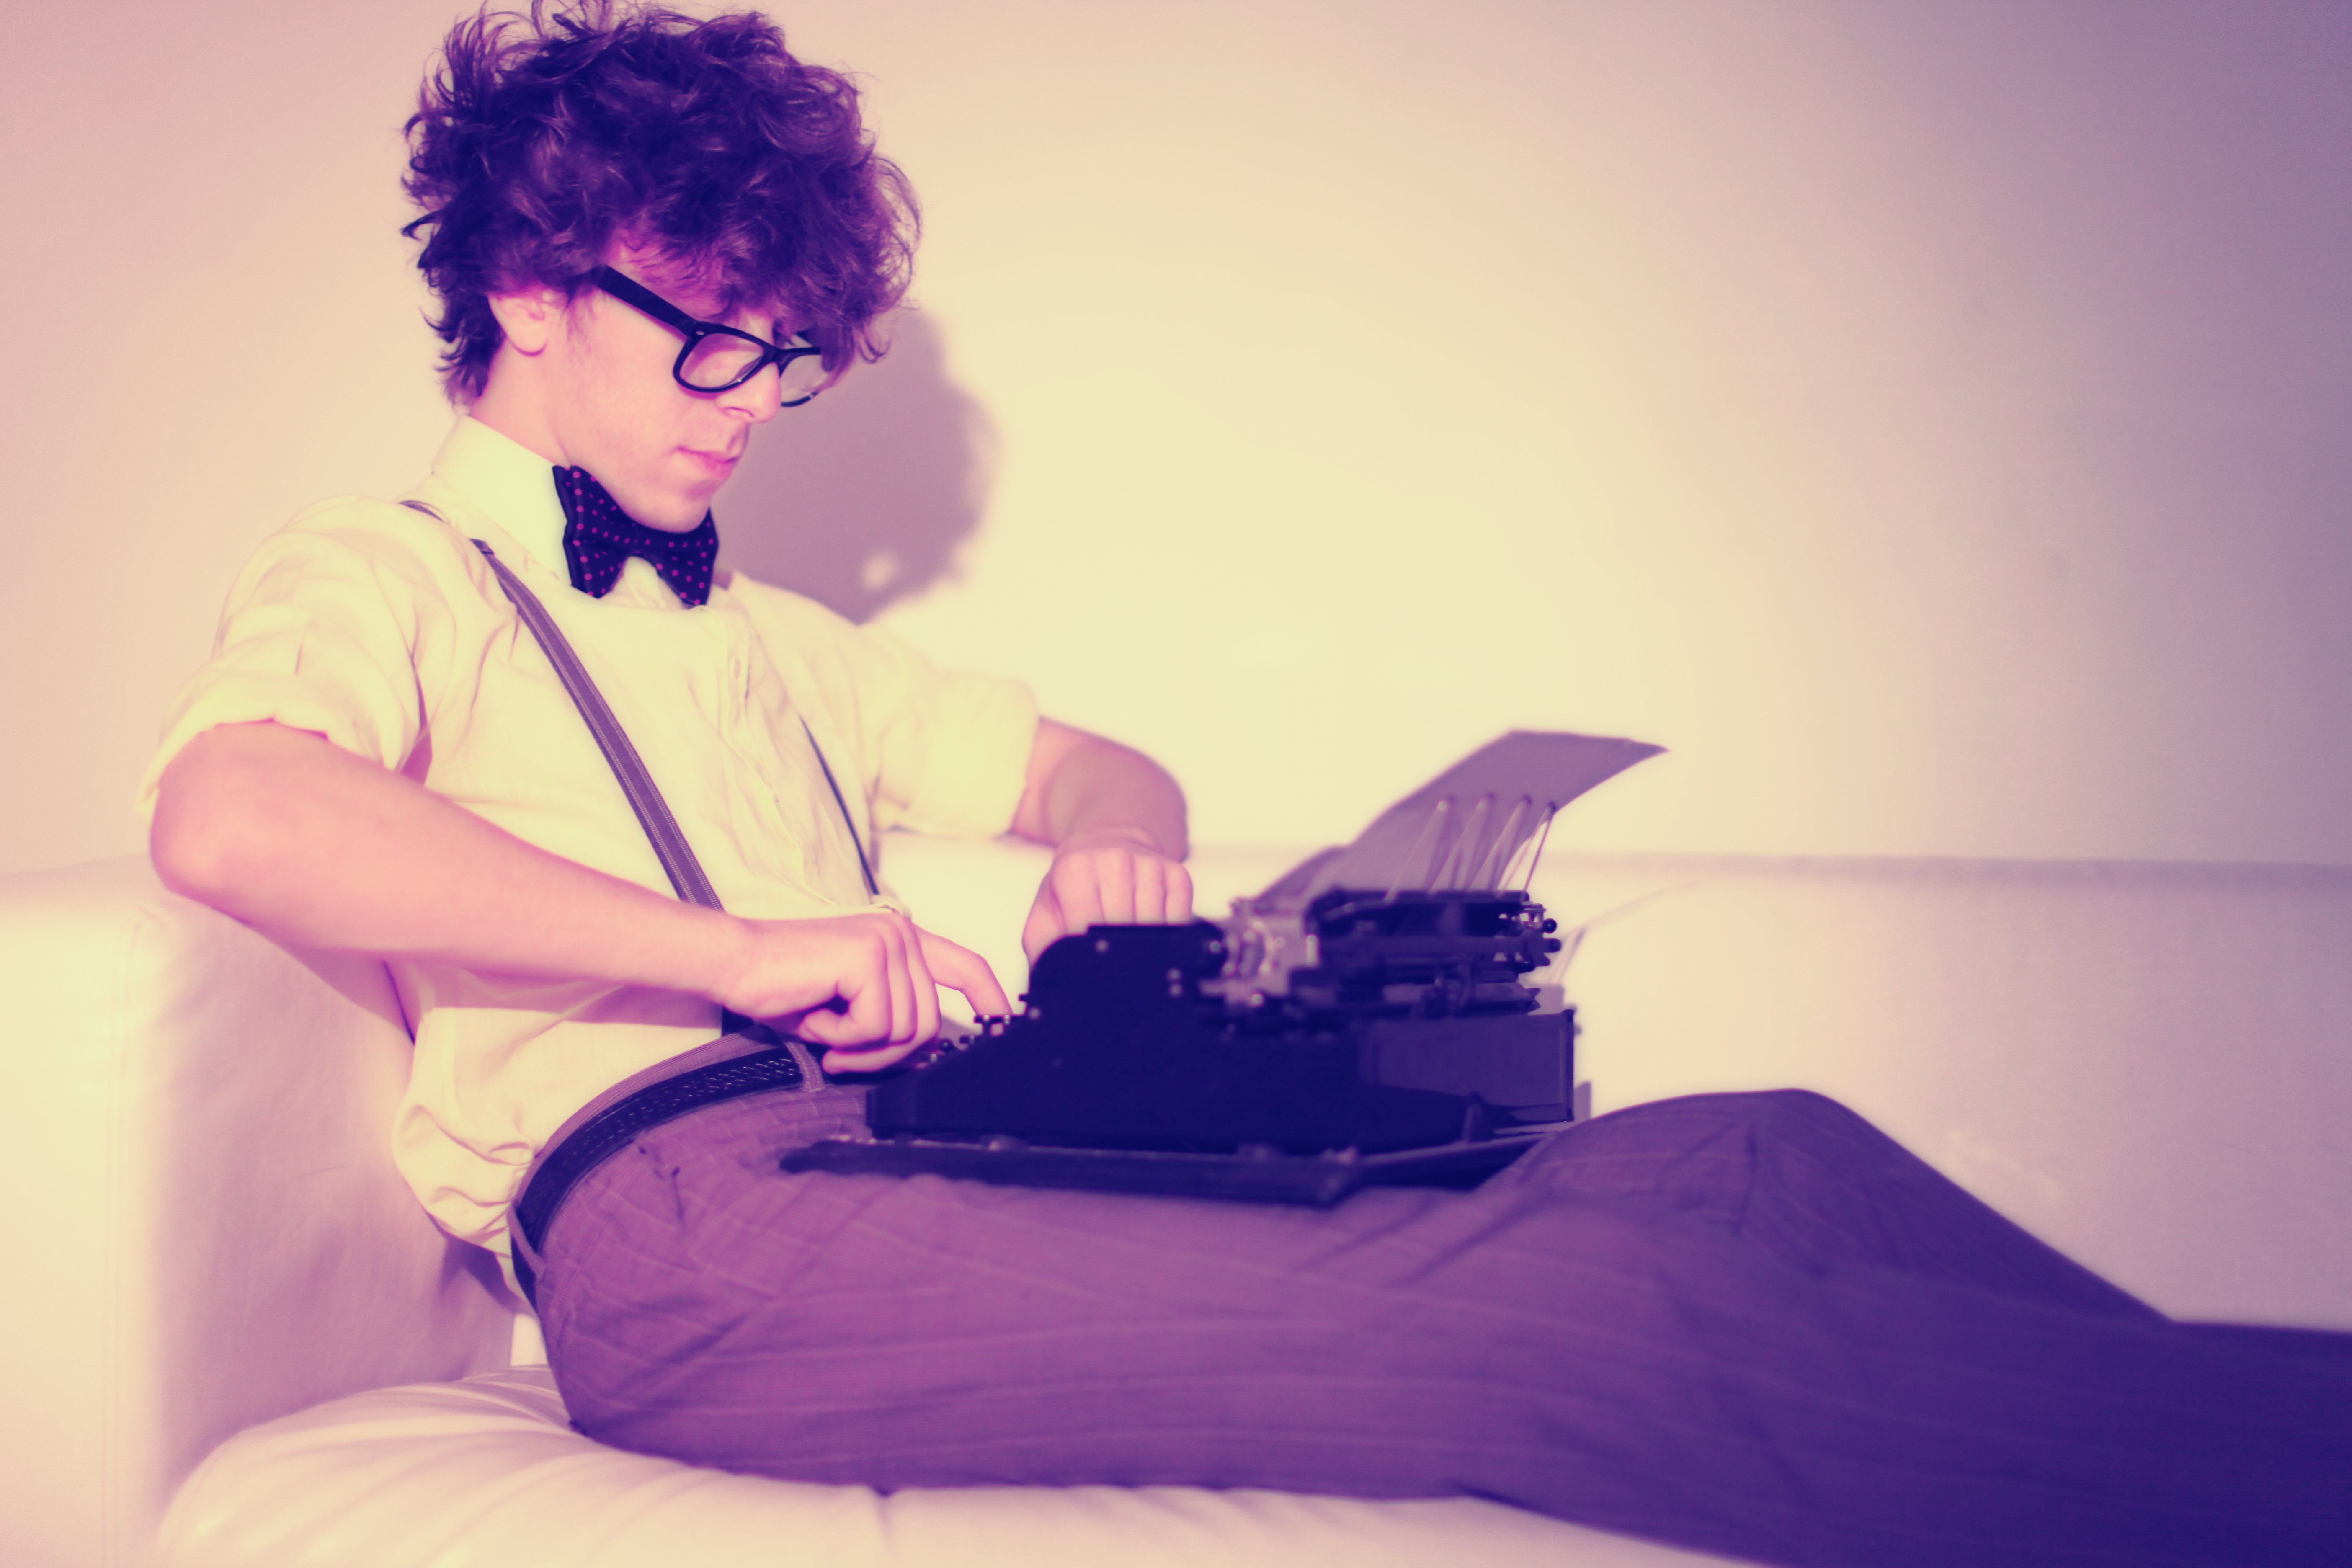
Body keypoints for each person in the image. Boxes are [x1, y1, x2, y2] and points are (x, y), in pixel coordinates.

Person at [142, 7, 2348, 1567]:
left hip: (923, 1147)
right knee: (1566, 1323)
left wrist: (1120, 847)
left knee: (1763, 1159)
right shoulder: (383, 572)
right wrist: (740, 951)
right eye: (711, 339)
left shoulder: (779, 643)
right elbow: (231, 812)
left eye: (788, 357)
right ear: (529, 288)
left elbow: (1100, 758)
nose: (752, 401)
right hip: (686, 1238)